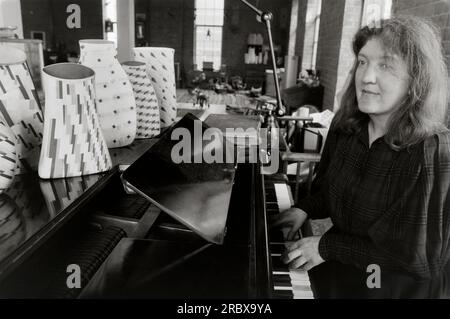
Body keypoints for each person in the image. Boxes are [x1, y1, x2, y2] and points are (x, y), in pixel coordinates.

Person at [272, 15, 450, 298]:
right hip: (347, 268)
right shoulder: (346, 129)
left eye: (386, 65)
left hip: (395, 287)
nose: (366, 77)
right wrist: (304, 208)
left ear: (416, 80)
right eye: (363, 62)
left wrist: (326, 247)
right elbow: (331, 192)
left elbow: (417, 258)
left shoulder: (430, 148)